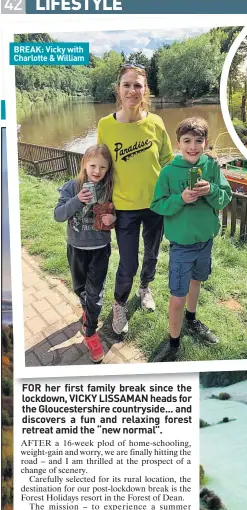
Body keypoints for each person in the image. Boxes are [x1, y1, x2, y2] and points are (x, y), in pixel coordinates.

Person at [96, 62, 173, 336]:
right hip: (124, 210)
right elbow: (101, 167)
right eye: (126, 84)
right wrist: (102, 208)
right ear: (118, 89)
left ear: (145, 90)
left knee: (152, 254)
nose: (132, 90)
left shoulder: (156, 122)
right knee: (128, 262)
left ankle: (145, 288)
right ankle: (119, 304)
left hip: (155, 206)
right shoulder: (106, 125)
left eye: (137, 85)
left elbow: (167, 161)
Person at [149, 116, 232, 362]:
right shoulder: (168, 172)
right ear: (178, 143)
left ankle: (192, 319)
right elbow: (157, 205)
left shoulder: (212, 167)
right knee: (178, 295)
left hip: (205, 241)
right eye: (187, 141)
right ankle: (173, 343)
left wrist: (212, 190)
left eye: (198, 141)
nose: (193, 146)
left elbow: (225, 197)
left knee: (197, 282)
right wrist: (180, 199)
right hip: (182, 246)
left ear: (205, 143)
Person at [53, 144, 116, 363]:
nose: (97, 171)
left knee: (95, 293)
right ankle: (87, 312)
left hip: (100, 250)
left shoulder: (110, 188)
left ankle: (90, 332)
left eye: (102, 167)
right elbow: (59, 215)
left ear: (108, 170)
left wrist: (113, 220)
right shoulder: (72, 187)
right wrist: (78, 199)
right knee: (81, 289)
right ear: (84, 165)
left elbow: (116, 214)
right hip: (76, 249)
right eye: (92, 166)